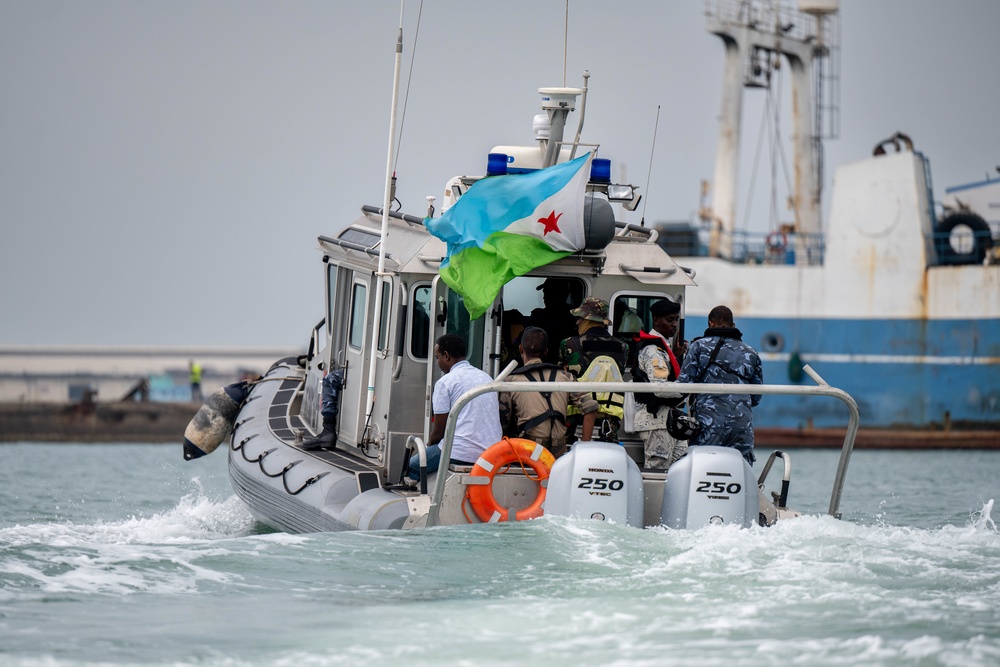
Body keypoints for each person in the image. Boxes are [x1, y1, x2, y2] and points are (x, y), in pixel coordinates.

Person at [408, 334, 503, 480]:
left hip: (459, 452)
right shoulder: (486, 378)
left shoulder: (445, 382)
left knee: (414, 465)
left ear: (446, 356)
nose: (437, 362)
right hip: (491, 453)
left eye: (437, 357)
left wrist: (428, 446)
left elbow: (439, 433)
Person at [678, 305, 763, 465]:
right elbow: (756, 398)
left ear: (711, 323)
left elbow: (683, 387)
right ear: (733, 324)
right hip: (741, 427)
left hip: (708, 425)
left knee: (704, 468)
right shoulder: (751, 352)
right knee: (741, 472)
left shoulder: (699, 347)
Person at [498, 327, 599, 458]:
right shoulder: (565, 377)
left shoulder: (511, 381)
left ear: (521, 349)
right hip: (557, 451)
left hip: (528, 451)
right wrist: (584, 448)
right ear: (546, 352)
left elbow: (502, 424)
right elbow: (591, 407)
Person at [558, 297, 629, 440]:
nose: (577, 322)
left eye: (580, 318)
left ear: (589, 320)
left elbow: (561, 377)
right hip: (609, 425)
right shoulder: (623, 347)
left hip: (575, 422)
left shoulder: (568, 344)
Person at [631, 298, 687, 470]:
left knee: (679, 468)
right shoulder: (654, 350)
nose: (675, 325)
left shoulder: (665, 348)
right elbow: (660, 387)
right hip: (656, 421)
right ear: (656, 320)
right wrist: (688, 390)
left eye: (676, 320)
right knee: (658, 469)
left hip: (668, 420)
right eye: (669, 320)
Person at [527, 278, 578, 364]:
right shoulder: (572, 316)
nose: (544, 297)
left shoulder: (569, 317)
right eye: (544, 293)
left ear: (558, 294)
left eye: (547, 292)